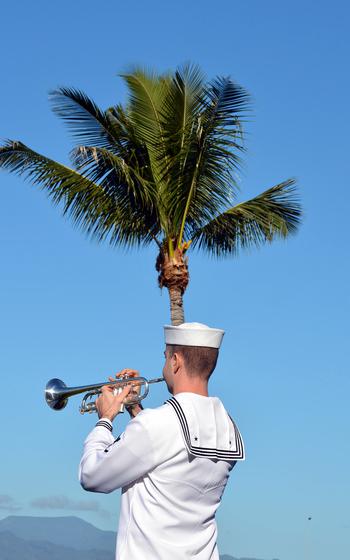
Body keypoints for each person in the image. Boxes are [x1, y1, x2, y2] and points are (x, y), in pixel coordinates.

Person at [79, 322, 245, 560]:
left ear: (176, 361)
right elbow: (166, 453)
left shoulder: (156, 425)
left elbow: (91, 475)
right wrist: (135, 408)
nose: (165, 365)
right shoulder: (227, 427)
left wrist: (105, 419)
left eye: (165, 357)